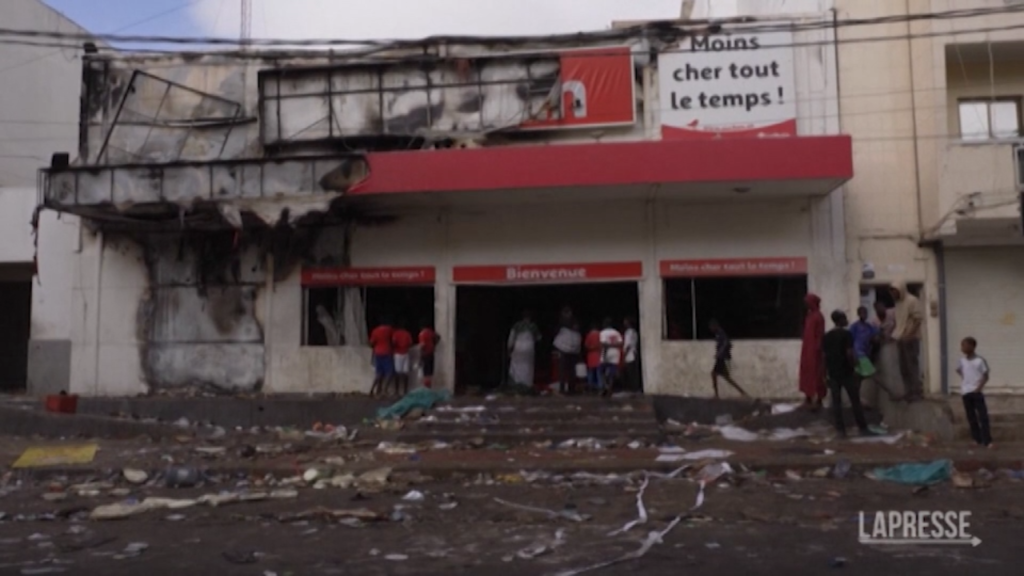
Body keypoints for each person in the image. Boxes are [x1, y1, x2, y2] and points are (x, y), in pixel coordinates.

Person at [822, 310, 871, 438]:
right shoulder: (847, 334)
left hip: (833, 372)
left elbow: (824, 357)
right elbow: (849, 352)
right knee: (855, 400)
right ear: (840, 320)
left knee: (836, 402)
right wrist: (854, 366)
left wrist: (824, 374)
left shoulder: (827, 336)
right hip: (846, 371)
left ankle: (840, 430)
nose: (847, 320)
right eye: (844, 318)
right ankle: (863, 428)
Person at [890, 281, 924, 401]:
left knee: (912, 366)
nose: (893, 294)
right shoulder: (898, 303)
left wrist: (909, 335)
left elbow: (918, 320)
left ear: (901, 290)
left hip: (910, 338)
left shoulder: (912, 300)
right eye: (891, 292)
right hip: (900, 338)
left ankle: (916, 392)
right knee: (903, 368)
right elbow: (899, 321)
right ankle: (908, 391)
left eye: (895, 291)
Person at [957, 337, 992, 448]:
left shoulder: (979, 361)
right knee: (971, 417)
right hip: (966, 392)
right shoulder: (962, 361)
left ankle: (987, 440)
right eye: (962, 345)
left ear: (972, 346)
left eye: (964, 345)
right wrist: (965, 381)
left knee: (983, 416)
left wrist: (978, 388)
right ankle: (977, 439)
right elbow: (959, 370)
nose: (962, 348)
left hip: (976, 392)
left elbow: (986, 376)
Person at [709, 319, 750, 399]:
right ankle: (742, 392)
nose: (711, 329)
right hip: (722, 357)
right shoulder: (718, 333)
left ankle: (716, 395)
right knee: (725, 377)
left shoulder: (720, 333)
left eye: (711, 327)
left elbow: (726, 342)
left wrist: (720, 353)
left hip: (722, 358)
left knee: (714, 374)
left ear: (715, 326)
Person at [799, 293, 827, 410]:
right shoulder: (809, 316)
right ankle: (808, 398)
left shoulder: (818, 317)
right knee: (806, 373)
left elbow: (820, 334)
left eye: (807, 303)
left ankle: (819, 399)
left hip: (815, 350)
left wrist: (818, 349)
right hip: (807, 349)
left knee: (817, 374)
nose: (806, 305)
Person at [507, 311, 541, 388]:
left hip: (518, 346)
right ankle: (527, 384)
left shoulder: (516, 325)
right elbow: (538, 338)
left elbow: (511, 338)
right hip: (529, 347)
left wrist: (509, 348)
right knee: (528, 366)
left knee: (517, 365)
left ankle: (517, 384)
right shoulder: (533, 326)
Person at [553, 321, 582, 395]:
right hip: (564, 353)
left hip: (572, 354)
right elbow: (558, 341)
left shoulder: (577, 334)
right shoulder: (565, 332)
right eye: (575, 325)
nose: (576, 327)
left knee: (571, 372)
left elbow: (578, 345)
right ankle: (562, 389)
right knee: (563, 371)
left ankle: (571, 389)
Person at [368, 318, 395, 397]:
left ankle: (372, 390)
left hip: (377, 353)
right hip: (387, 352)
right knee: (389, 372)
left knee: (379, 373)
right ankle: (384, 390)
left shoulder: (375, 331)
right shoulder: (389, 330)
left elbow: (371, 343)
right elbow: (393, 340)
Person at [598, 318, 623, 396]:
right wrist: (614, 345)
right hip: (615, 353)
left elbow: (603, 344)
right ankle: (610, 388)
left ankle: (604, 386)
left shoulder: (603, 332)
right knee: (612, 372)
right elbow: (620, 344)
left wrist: (604, 355)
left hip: (607, 352)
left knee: (601, 370)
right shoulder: (617, 332)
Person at [391, 321, 414, 396]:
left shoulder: (396, 334)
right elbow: (410, 343)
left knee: (397, 373)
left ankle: (397, 391)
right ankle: (405, 390)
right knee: (405, 373)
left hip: (398, 354)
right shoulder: (407, 334)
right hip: (406, 353)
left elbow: (393, 343)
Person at [417, 320, 440, 389]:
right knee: (430, 371)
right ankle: (429, 386)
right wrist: (434, 344)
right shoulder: (430, 332)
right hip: (431, 353)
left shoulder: (422, 334)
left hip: (425, 354)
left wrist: (420, 357)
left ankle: (426, 387)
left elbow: (422, 346)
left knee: (425, 372)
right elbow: (438, 337)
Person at [622, 317, 641, 392]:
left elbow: (628, 345)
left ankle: (633, 388)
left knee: (630, 372)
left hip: (630, 354)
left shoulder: (628, 332)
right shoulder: (634, 332)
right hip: (634, 352)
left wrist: (624, 355)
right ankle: (635, 387)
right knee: (634, 372)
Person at [584, 322, 602, 393]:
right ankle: (600, 387)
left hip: (591, 356)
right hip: (599, 355)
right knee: (599, 372)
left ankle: (590, 387)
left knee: (591, 372)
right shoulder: (600, 334)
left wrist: (592, 348)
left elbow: (586, 346)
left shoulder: (589, 335)